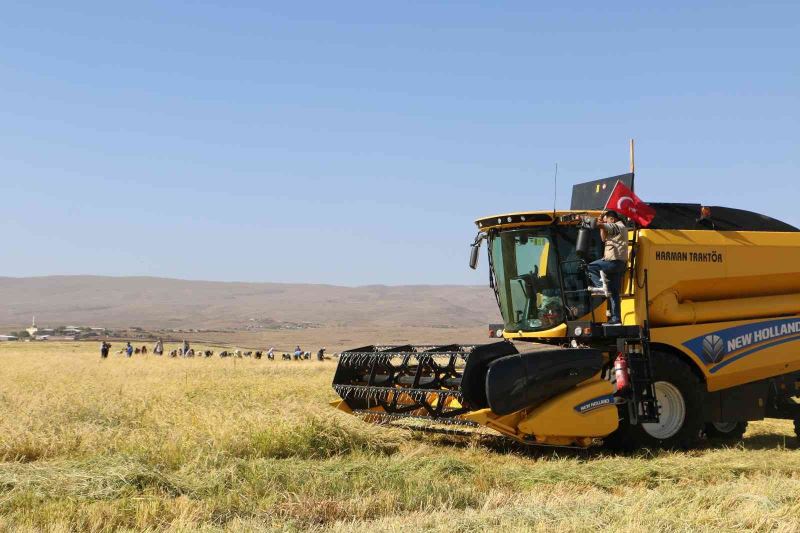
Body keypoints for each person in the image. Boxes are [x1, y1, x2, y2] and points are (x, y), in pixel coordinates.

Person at [585, 210, 628, 325]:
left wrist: (594, 222)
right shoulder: (614, 228)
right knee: (614, 293)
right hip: (617, 263)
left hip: (614, 262)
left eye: (606, 220)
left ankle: (600, 286)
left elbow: (599, 225)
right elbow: (603, 238)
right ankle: (616, 319)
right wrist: (601, 224)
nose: (606, 223)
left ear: (612, 219)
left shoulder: (617, 226)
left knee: (590, 266)